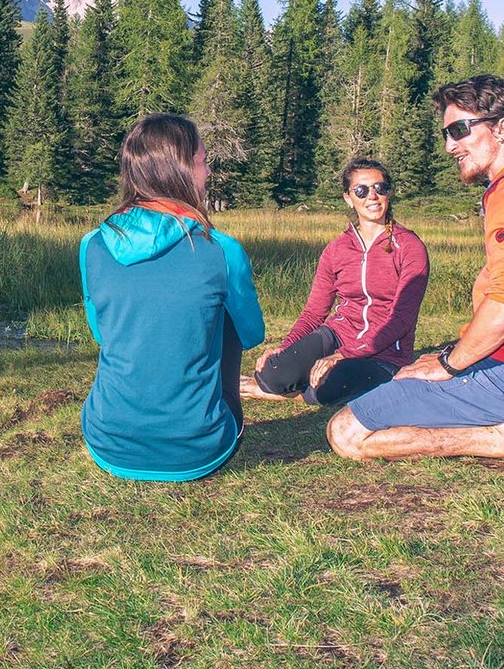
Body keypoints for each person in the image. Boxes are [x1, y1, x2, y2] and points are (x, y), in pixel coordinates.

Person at [328, 74, 504, 463]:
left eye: (459, 130)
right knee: (406, 378)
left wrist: (447, 364)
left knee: (346, 432)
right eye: (446, 133)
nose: (450, 146)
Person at [80, 113, 267, 481]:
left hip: (107, 440)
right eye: (202, 161)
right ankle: (198, 423)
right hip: (199, 448)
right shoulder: (222, 249)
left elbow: (102, 334)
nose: (208, 172)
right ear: (178, 169)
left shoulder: (92, 245)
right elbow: (252, 334)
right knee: (227, 318)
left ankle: (132, 421)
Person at [241, 159, 428, 405]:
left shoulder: (410, 247)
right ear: (349, 198)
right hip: (338, 334)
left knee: (329, 387)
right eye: (361, 190)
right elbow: (314, 312)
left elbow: (401, 319)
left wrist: (344, 355)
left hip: (384, 352)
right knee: (273, 374)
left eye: (380, 188)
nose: (372, 196)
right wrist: (286, 347)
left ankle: (297, 390)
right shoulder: (337, 249)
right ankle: (281, 385)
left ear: (388, 192)